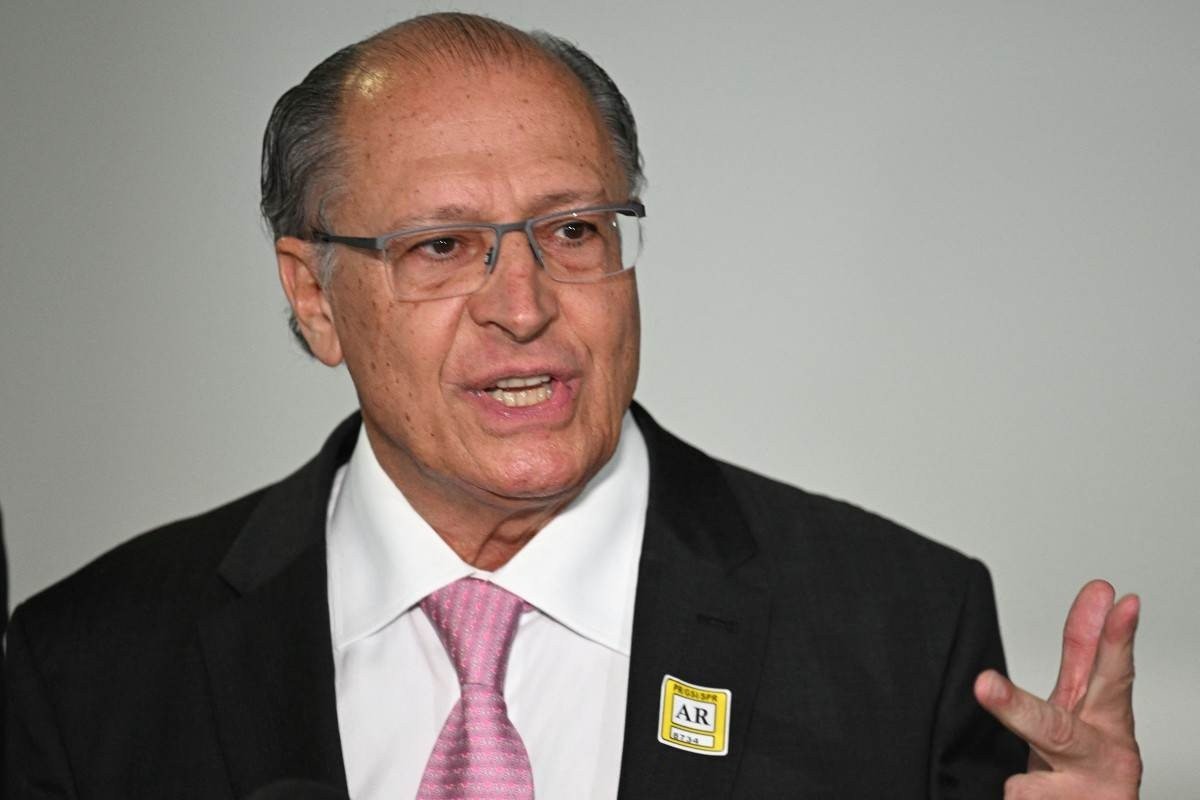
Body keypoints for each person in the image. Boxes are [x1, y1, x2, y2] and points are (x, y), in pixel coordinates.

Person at [3, 13, 1142, 799]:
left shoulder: (901, 629)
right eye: (442, 246)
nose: (524, 304)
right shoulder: (89, 663)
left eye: (573, 230)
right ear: (314, 296)